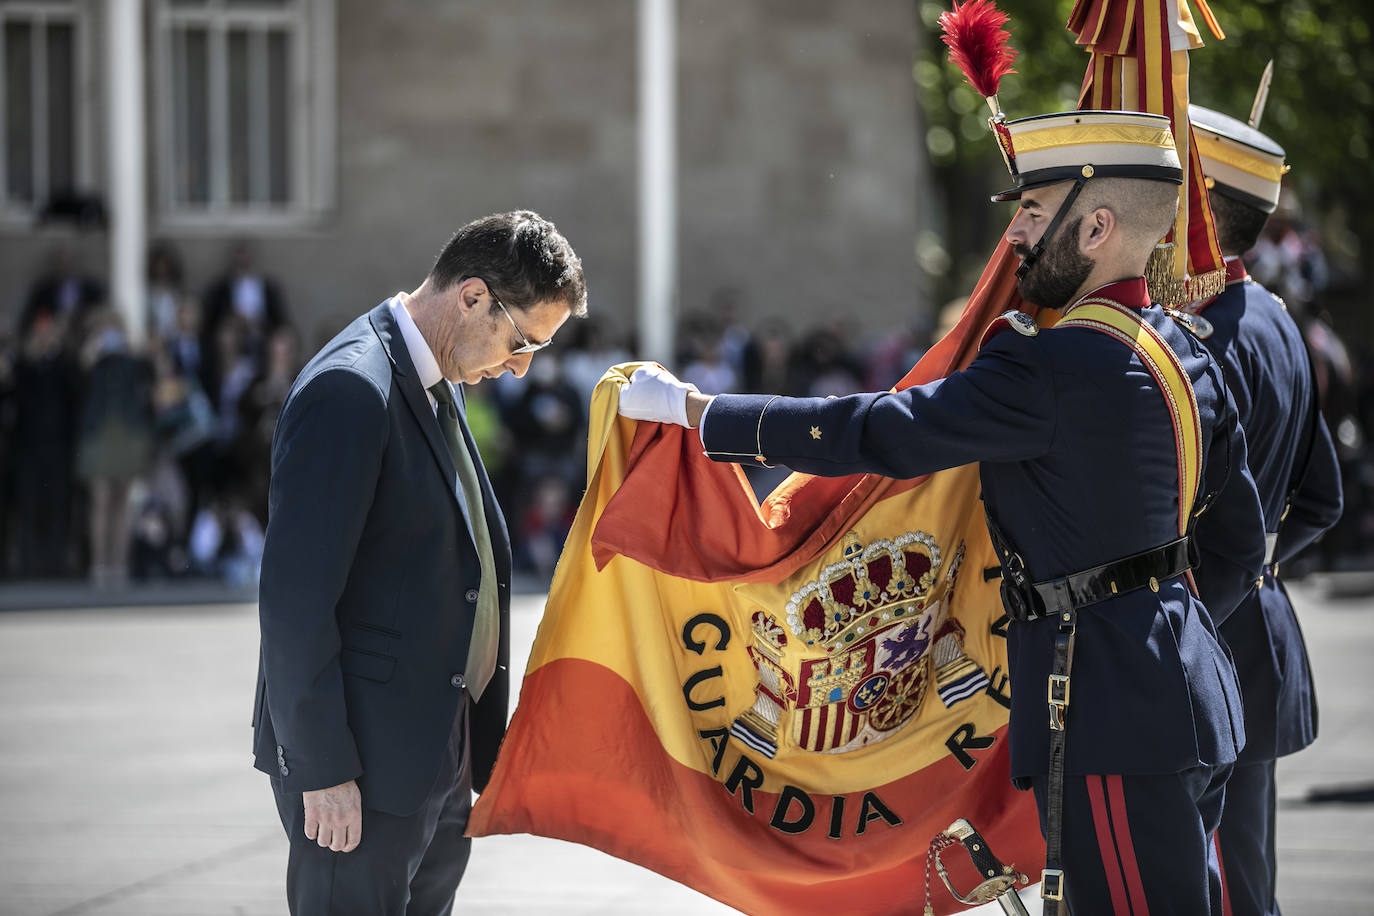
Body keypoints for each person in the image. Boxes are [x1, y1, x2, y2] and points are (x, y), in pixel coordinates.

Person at [619, 111, 1265, 914]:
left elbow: (878, 431)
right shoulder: (1186, 351)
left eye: (1032, 215)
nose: (1016, 238)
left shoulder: (1049, 363)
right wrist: (1161, 638)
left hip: (1107, 709)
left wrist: (704, 415)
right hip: (1191, 692)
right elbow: (1238, 544)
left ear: (1097, 227)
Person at [253, 209, 586, 915]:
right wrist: (323, 770)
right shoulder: (353, 389)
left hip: (436, 747)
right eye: (521, 339)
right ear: (471, 297)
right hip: (362, 765)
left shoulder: (435, 375)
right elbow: (294, 602)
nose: (522, 365)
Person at [1186, 103, 1344, 916]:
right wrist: (1267, 561)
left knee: (1211, 886)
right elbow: (1323, 498)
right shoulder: (1280, 323)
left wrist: (1230, 574)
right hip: (1261, 626)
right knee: (1248, 885)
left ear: (1202, 214)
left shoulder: (1201, 341)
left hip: (1210, 633)